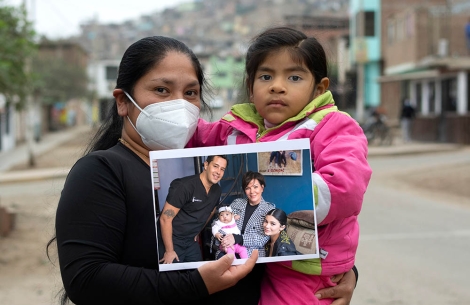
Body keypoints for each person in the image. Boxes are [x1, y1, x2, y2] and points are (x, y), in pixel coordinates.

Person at [47, 36, 258, 305]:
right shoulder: (101, 172)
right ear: (123, 101)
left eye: (191, 93)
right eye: (161, 90)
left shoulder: (206, 184)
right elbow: (86, 280)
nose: (179, 104)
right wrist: (195, 284)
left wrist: (328, 282)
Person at [188, 26, 372, 305]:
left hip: (306, 268)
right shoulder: (236, 127)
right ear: (251, 88)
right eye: (266, 76)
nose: (277, 85)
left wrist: (284, 192)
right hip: (262, 255)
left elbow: (345, 187)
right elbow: (194, 137)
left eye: (294, 77)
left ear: (319, 88)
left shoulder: (333, 125)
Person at [159, 155, 228, 264]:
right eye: (215, 166)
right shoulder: (184, 186)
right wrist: (169, 250)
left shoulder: (217, 190)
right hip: (172, 240)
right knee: (172, 278)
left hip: (190, 241)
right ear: (206, 165)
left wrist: (197, 231)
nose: (218, 172)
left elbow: (209, 212)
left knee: (198, 275)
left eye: (222, 169)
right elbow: (164, 219)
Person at [216, 171, 275, 259]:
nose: (252, 191)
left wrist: (237, 239)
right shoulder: (237, 203)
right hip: (228, 248)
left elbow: (262, 239)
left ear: (262, 188)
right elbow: (219, 222)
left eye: (255, 187)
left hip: (251, 254)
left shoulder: (269, 210)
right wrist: (224, 239)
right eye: (248, 188)